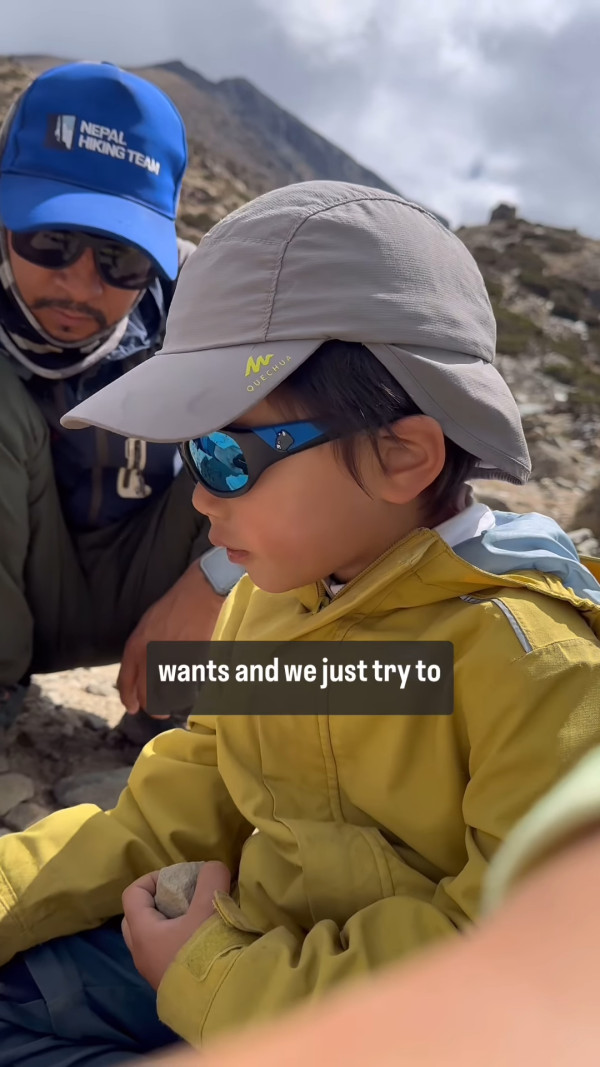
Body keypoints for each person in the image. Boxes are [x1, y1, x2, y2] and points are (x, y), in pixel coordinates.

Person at [1, 180, 600, 1064]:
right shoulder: (271, 604)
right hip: (229, 954)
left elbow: (501, 980)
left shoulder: (534, 670)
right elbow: (181, 802)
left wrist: (210, 977)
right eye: (186, 452)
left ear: (404, 455)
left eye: (225, 454)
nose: (199, 494)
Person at [0, 61, 240, 736]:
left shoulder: (202, 298)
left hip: (159, 585)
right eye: (50, 240)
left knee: (269, 436)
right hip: (22, 586)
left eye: (120, 258)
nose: (79, 285)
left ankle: (177, 721)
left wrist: (218, 579)